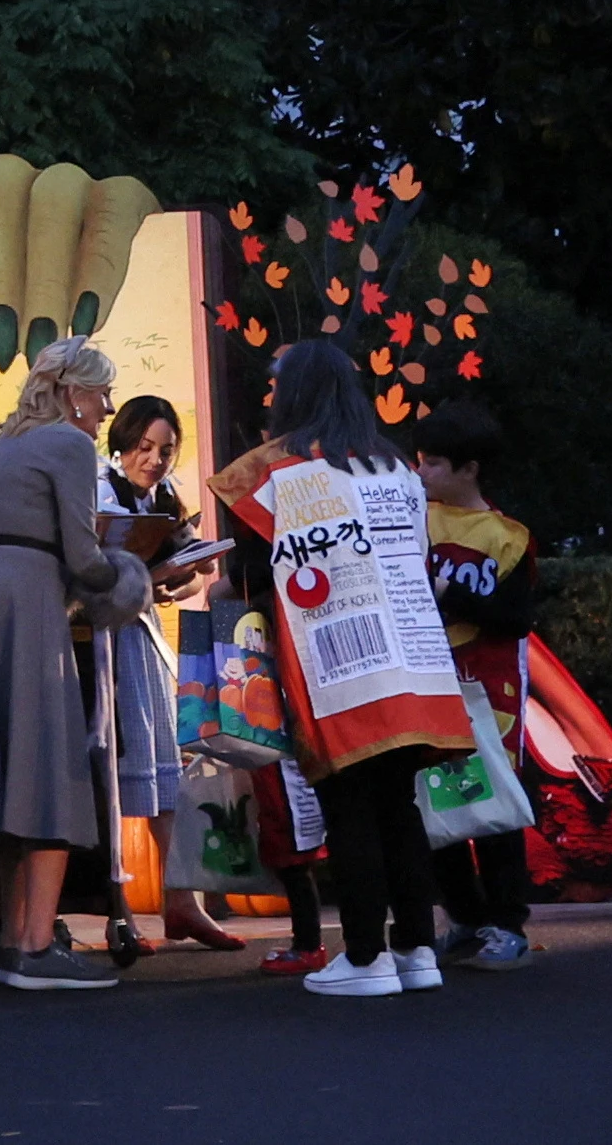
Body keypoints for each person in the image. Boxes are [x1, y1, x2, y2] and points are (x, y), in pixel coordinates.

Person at [0, 340, 157, 994]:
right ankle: (35, 945)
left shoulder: (3, 447)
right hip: (28, 606)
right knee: (50, 768)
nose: (109, 407)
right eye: (101, 392)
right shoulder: (71, 446)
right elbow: (84, 556)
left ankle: (6, 940)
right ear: (71, 392)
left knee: (1, 772)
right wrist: (138, 577)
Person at [223, 337, 451, 998]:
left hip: (335, 661)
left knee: (348, 805)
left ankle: (363, 956)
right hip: (412, 656)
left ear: (291, 396)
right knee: (399, 807)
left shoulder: (276, 473)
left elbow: (249, 571)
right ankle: (417, 952)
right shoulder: (398, 469)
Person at [96, 394, 236, 958]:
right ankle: (118, 910)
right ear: (123, 443)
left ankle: (182, 901)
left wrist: (180, 578)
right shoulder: (101, 490)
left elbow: (182, 582)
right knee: (110, 767)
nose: (152, 460)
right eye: (144, 447)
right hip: (103, 636)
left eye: (164, 451)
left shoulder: (167, 498)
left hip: (144, 632)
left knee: (163, 766)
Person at [415, 403, 545, 969]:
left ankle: (508, 923)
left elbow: (516, 618)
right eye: (419, 461)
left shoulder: (508, 537)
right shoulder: (413, 517)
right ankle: (464, 916)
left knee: (492, 808)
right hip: (428, 682)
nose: (421, 473)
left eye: (434, 463)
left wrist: (447, 594)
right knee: (436, 806)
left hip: (489, 691)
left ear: (470, 469)